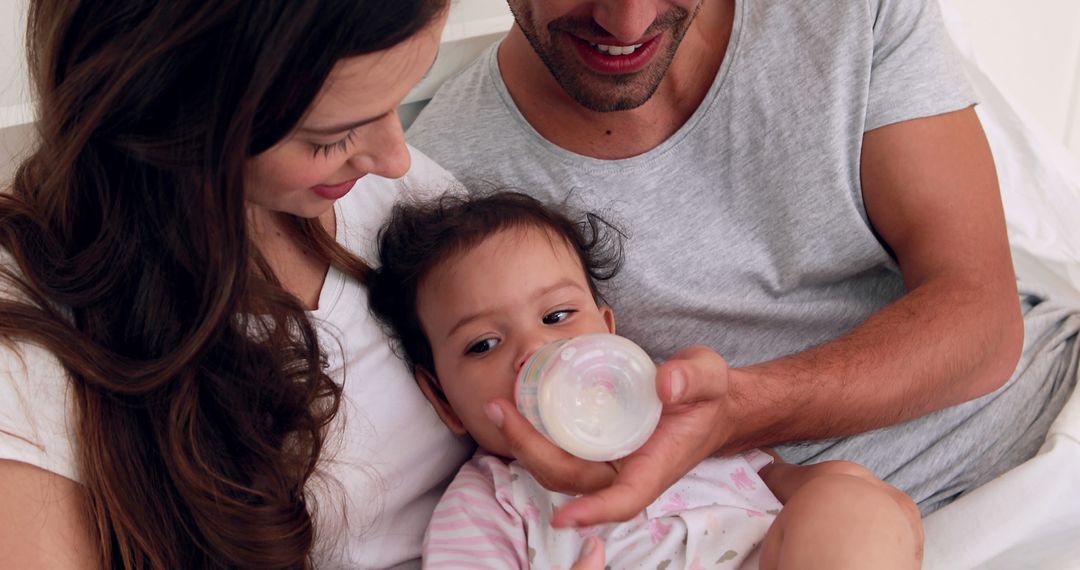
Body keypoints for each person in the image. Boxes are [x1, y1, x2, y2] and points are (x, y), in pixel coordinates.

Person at [406, 0, 1080, 529]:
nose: (627, 21)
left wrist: (741, 409)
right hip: (780, 533)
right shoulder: (442, 180)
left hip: (1046, 427)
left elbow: (983, 320)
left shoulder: (848, 14)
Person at [0, 1, 496, 568]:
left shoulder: (377, 198)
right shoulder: (26, 346)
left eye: (402, 95)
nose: (396, 160)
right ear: (168, 114)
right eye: (328, 138)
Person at [366, 190, 923, 569]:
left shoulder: (680, 428)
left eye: (557, 317)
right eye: (483, 344)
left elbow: (790, 493)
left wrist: (838, 491)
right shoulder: (490, 504)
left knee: (849, 499)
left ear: (609, 332)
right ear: (443, 400)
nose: (535, 350)